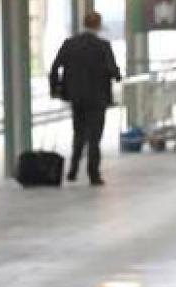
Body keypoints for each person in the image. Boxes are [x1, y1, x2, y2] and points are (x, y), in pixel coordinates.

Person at [49, 10, 122, 185]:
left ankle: (73, 170)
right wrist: (117, 75)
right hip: (98, 99)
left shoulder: (69, 44)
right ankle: (93, 174)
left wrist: (56, 89)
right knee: (95, 138)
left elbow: (54, 68)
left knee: (79, 133)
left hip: (76, 98)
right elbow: (113, 70)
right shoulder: (103, 46)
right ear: (98, 26)